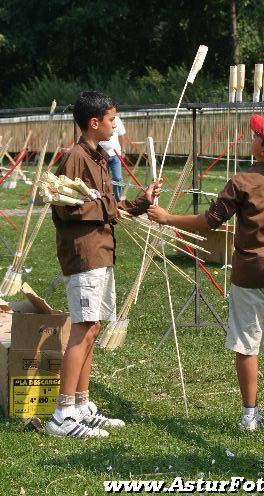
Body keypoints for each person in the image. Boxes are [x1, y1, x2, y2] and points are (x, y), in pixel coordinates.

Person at [148, 114, 264, 436]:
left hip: (247, 277)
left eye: (257, 136)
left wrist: (167, 218)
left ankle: (250, 415)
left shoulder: (241, 182)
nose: (251, 139)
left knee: (247, 345)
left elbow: (210, 222)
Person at [46, 91, 160, 438]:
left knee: (92, 327)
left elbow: (110, 205)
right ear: (94, 123)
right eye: (112, 119)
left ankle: (81, 405)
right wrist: (108, 209)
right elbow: (65, 207)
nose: (116, 124)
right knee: (82, 328)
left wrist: (141, 203)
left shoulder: (97, 157)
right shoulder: (76, 158)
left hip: (101, 251)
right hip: (84, 254)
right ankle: (62, 415)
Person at [100, 115, 126, 201]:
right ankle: (106, 199)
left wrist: (123, 150)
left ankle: (118, 199)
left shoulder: (117, 119)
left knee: (118, 178)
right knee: (103, 178)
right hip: (102, 154)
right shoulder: (100, 118)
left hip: (115, 154)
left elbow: (121, 135)